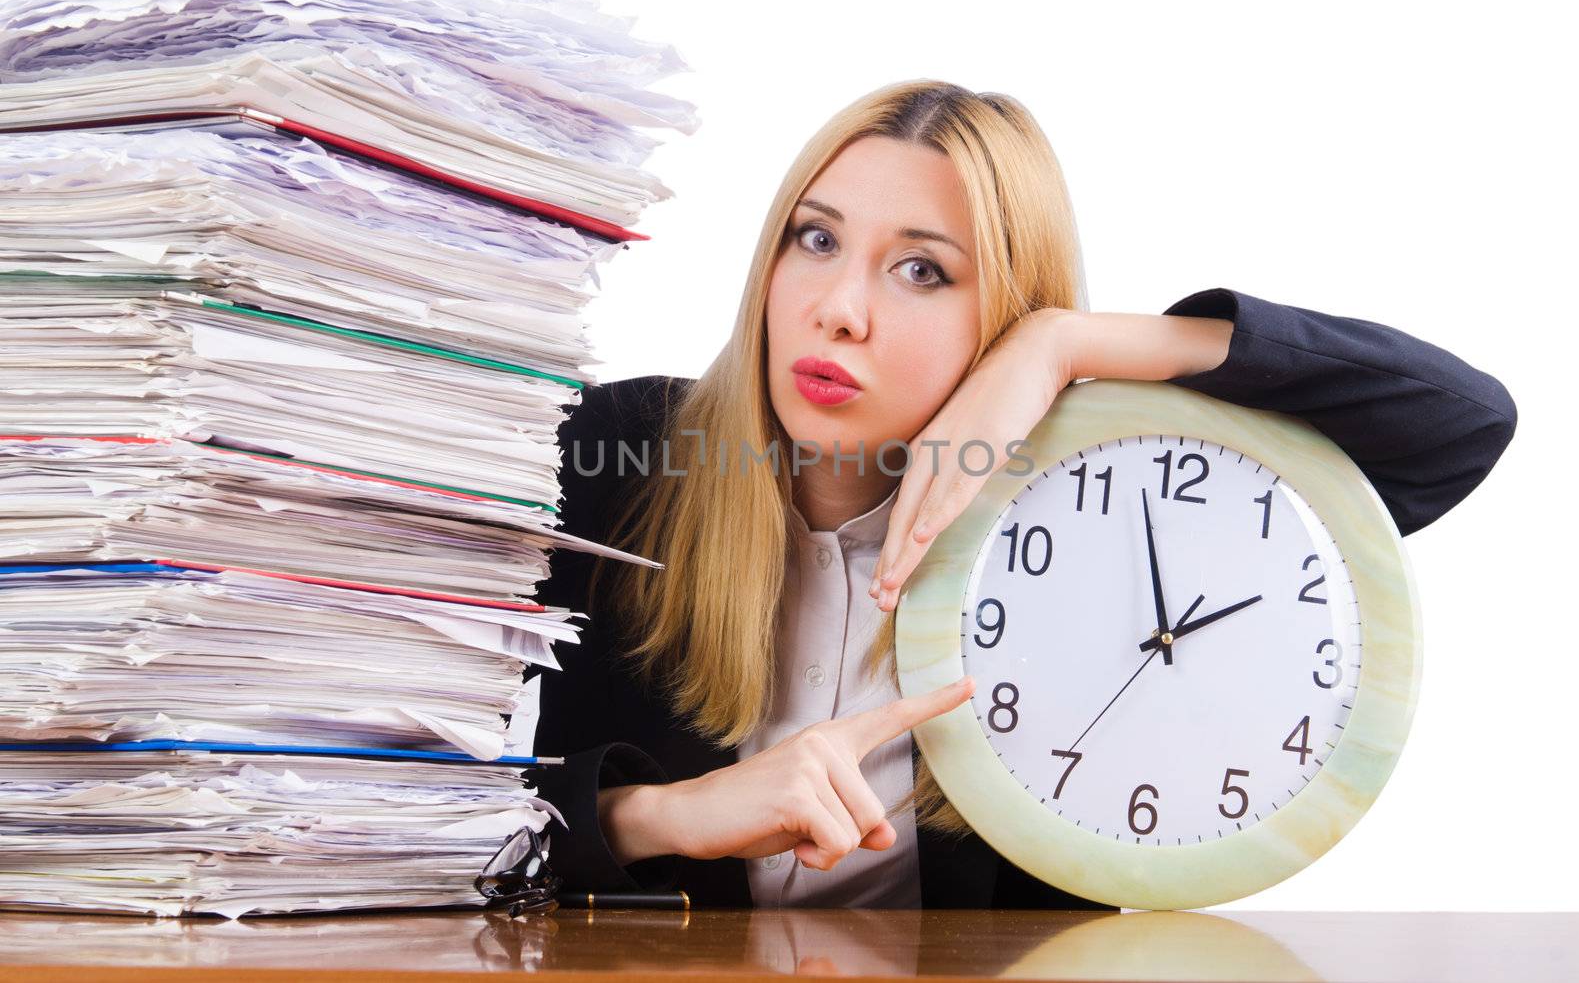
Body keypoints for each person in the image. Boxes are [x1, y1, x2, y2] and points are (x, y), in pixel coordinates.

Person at [530, 80, 1517, 909]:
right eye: (816, 240)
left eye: (922, 269)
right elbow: (417, 805)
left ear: (1002, 305)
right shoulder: (612, 457)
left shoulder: (1079, 507)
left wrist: (1067, 343)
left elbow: (1457, 422)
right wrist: (664, 814)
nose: (837, 310)